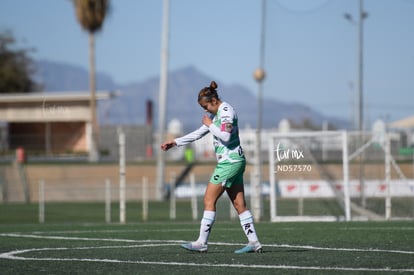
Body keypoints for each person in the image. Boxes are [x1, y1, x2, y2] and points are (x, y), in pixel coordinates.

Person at [160, 81, 262, 254]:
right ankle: (254, 242)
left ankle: (201, 243)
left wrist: (210, 124)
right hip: (234, 161)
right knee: (239, 204)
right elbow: (199, 133)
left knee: (208, 199)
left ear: (214, 100)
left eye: (205, 106)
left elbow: (226, 136)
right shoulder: (216, 115)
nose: (205, 110)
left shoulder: (226, 112)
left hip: (229, 162)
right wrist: (175, 142)